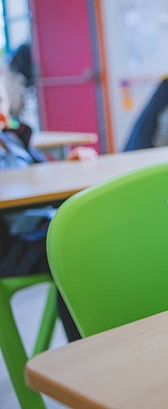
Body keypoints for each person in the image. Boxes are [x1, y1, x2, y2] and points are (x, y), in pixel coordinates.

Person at [0, 61, 95, 341]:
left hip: (42, 227)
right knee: (73, 248)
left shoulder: (14, 140)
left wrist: (68, 165)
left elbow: (42, 176)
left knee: (94, 234)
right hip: (12, 245)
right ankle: (85, 344)